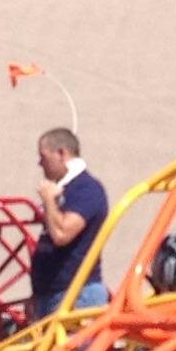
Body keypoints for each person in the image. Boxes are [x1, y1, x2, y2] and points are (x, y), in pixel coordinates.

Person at [26, 127, 111, 319]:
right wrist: (37, 294)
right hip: (52, 295)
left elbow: (61, 234)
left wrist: (49, 201)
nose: (40, 163)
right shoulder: (64, 189)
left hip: (76, 295)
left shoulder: (87, 189)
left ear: (61, 153)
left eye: (43, 156)